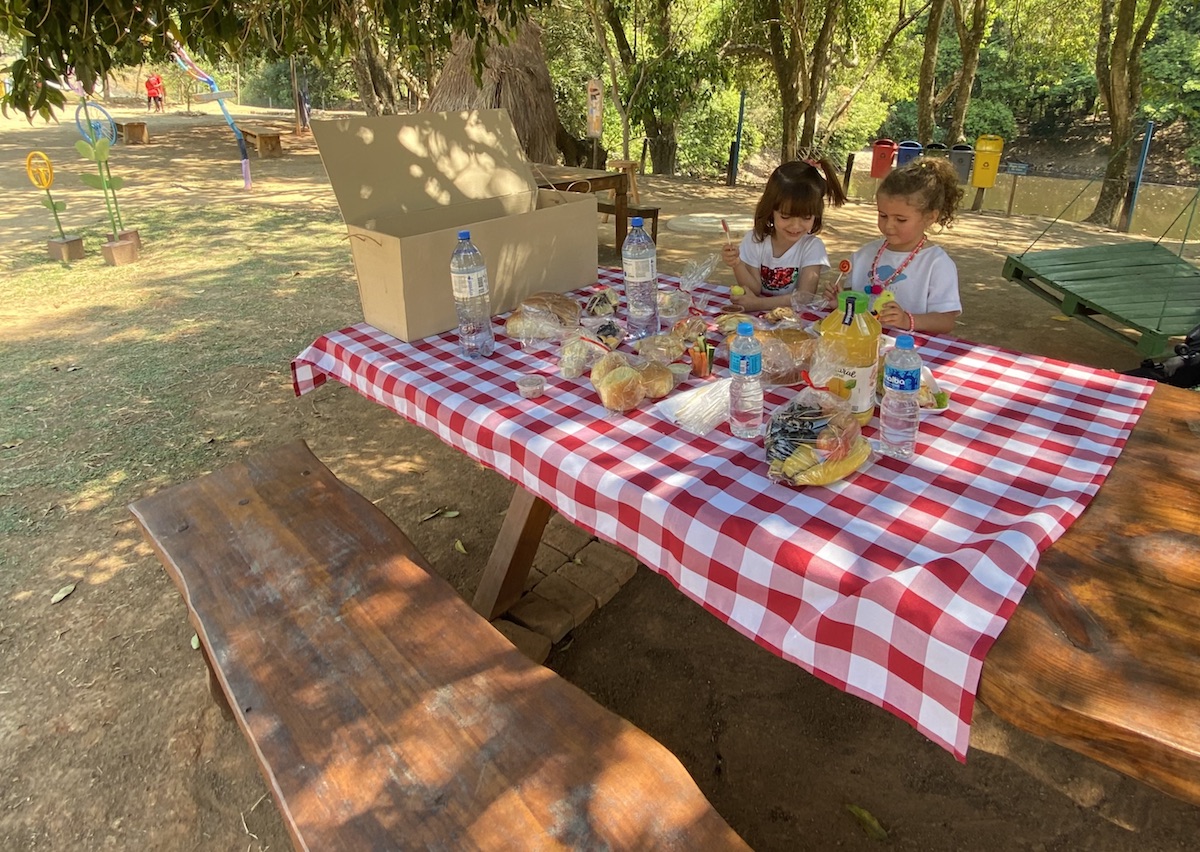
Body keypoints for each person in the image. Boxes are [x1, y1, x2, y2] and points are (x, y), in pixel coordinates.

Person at [825, 156, 963, 335]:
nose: (889, 225)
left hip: (906, 352)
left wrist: (907, 320)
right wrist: (842, 302)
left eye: (901, 219)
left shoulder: (937, 264)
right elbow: (856, 297)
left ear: (930, 217)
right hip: (860, 344)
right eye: (883, 216)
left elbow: (945, 321)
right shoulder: (864, 254)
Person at [721, 158, 847, 312]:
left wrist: (758, 305)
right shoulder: (755, 239)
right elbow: (754, 289)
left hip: (795, 322)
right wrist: (737, 264)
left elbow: (805, 297)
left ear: (816, 214)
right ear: (770, 209)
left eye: (806, 217)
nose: (795, 226)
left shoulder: (813, 247)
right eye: (786, 217)